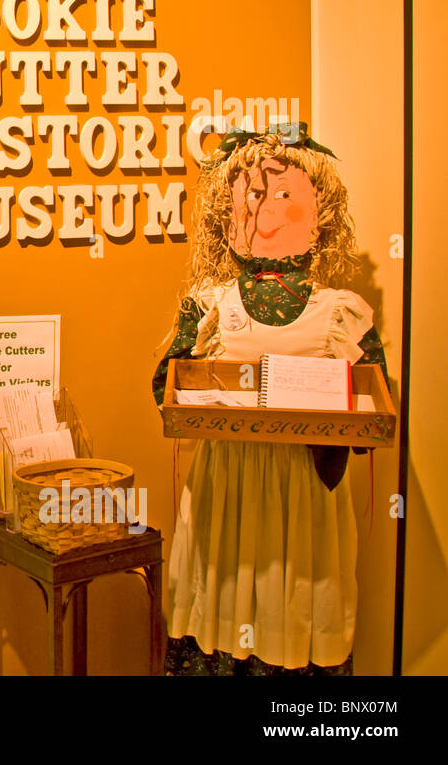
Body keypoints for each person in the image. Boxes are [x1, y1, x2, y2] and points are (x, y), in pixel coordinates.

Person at [152, 125, 387, 675]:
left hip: (302, 490)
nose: (267, 211)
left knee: (299, 598)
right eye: (253, 195)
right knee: (223, 593)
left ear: (321, 210)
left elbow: (373, 403)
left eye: (285, 195)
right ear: (227, 210)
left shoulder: (339, 313)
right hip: (226, 485)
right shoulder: (210, 305)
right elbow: (166, 384)